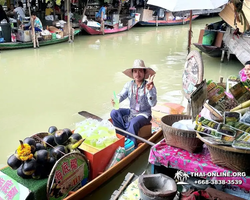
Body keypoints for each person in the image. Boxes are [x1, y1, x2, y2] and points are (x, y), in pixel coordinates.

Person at [110, 59, 157, 147]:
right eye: (135, 71)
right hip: (132, 112)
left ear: (144, 73)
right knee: (114, 112)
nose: (137, 74)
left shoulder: (149, 85)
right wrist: (116, 100)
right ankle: (121, 136)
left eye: (140, 71)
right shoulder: (129, 85)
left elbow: (153, 104)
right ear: (132, 73)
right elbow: (122, 95)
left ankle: (131, 145)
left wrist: (150, 91)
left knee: (134, 122)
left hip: (144, 114)